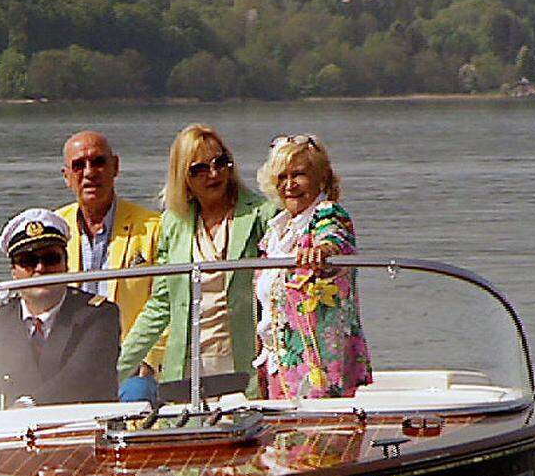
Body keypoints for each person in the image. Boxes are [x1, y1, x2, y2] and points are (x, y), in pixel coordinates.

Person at [117, 124, 278, 395]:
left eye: (219, 162)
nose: (213, 174)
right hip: (187, 367)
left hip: (245, 365)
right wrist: (115, 370)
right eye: (199, 169)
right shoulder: (172, 223)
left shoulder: (263, 215)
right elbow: (161, 304)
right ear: (183, 177)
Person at [0, 208, 120, 415]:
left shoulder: (99, 315)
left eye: (51, 259)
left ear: (66, 265)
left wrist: (27, 406)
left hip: (86, 435)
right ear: (14, 273)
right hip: (16, 438)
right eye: (28, 261)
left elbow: (81, 374)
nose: (41, 268)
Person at [253, 134, 373, 399]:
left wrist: (323, 251)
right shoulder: (277, 231)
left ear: (321, 178)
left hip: (319, 368)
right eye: (282, 177)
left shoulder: (327, 214)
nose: (289, 185)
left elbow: (335, 239)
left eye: (298, 175)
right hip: (279, 365)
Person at [55, 131, 162, 344]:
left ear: (115, 167)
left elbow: (168, 304)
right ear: (66, 176)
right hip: (68, 356)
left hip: (132, 360)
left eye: (98, 162)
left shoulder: (154, 228)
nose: (89, 172)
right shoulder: (55, 228)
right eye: (79, 165)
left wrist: (149, 361)